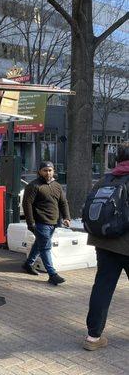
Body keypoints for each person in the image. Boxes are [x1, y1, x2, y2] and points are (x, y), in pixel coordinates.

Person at [83, 142, 129, 351]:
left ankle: (93, 337)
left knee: (102, 286)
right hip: (126, 244)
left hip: (103, 242)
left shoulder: (104, 179)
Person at [21, 161, 71, 285]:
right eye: (45, 170)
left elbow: (63, 202)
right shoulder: (33, 186)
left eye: (50, 170)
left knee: (39, 244)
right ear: (39, 171)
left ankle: (28, 264)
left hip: (54, 222)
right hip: (40, 222)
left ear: (53, 171)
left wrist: (67, 218)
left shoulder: (57, 186)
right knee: (46, 247)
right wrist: (30, 223)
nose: (48, 173)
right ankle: (52, 274)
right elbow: (27, 205)